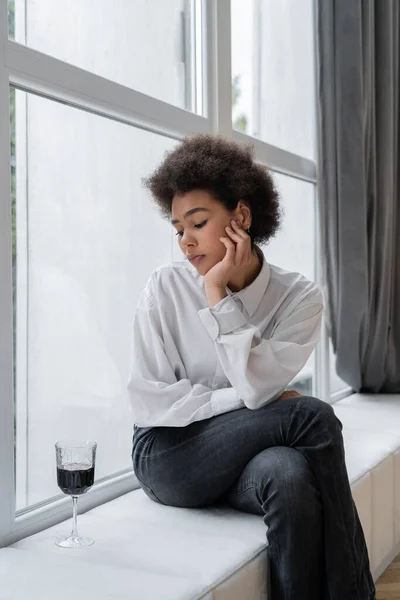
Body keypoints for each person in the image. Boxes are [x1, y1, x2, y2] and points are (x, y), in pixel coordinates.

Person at [127, 134, 376, 600]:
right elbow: (152, 401)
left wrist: (219, 296)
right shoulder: (163, 288)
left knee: (288, 475)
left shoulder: (299, 298)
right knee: (311, 416)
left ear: (240, 217)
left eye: (197, 223)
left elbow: (258, 389)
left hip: (245, 464)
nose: (185, 242)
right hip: (169, 456)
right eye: (178, 228)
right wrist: (245, 404)